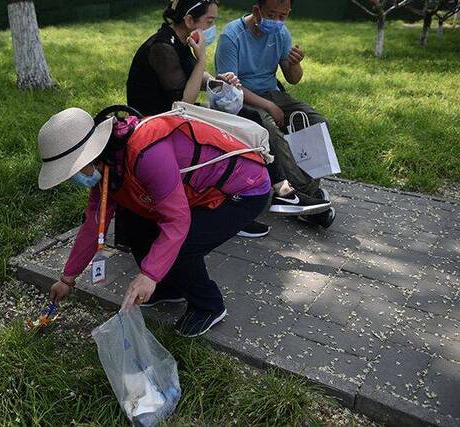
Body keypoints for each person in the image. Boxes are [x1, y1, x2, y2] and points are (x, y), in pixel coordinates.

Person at [36, 106, 271, 337]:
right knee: (133, 219)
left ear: (90, 156)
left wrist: (149, 275)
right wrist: (67, 279)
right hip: (200, 190)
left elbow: (177, 221)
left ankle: (208, 307)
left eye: (71, 171)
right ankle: (169, 288)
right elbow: (93, 224)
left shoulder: (146, 153)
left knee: (183, 244)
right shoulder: (106, 167)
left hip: (243, 190)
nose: (72, 178)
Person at [127, 0, 331, 237]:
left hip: (176, 115)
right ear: (190, 20)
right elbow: (182, 101)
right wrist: (202, 57)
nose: (213, 27)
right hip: (159, 123)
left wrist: (217, 81)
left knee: (251, 119)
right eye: (210, 21)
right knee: (243, 131)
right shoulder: (162, 47)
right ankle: (258, 203)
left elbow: (195, 77)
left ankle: (281, 192)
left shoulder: (180, 40)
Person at [215, 0, 336, 227]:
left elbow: (293, 78)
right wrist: (269, 106)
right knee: (270, 129)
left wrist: (296, 64)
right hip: (240, 99)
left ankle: (307, 193)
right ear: (256, 11)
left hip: (273, 93)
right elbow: (230, 88)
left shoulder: (281, 34)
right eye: (272, 14)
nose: (278, 21)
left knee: (317, 122)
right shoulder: (232, 36)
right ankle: (302, 196)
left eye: (283, 16)